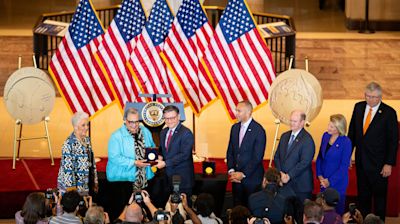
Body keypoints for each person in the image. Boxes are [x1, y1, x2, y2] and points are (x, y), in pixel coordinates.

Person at [348, 82, 399, 221]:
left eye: (374, 97)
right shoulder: (358, 107)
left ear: (380, 96)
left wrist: (389, 163)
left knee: (379, 199)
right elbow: (352, 133)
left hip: (380, 165)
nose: (370, 99)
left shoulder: (389, 113)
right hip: (361, 161)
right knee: (363, 196)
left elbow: (393, 141)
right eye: (368, 96)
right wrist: (348, 155)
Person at [106, 108, 155, 220]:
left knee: (142, 212)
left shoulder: (145, 131)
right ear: (125, 121)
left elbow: (152, 147)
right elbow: (114, 157)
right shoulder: (116, 136)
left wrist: (156, 157)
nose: (134, 125)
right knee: (123, 212)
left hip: (143, 179)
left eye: (136, 122)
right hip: (123, 180)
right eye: (130, 122)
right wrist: (134, 162)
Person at [226, 100, 266, 206]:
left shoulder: (259, 130)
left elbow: (257, 157)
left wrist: (242, 174)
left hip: (252, 180)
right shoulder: (234, 128)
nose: (236, 113)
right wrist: (231, 170)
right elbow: (230, 151)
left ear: (248, 112)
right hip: (236, 180)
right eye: (236, 110)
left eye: (239, 111)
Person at [274, 110, 315, 202]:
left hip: (300, 186)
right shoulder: (284, 136)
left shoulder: (307, 139)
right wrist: (281, 173)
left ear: (302, 122)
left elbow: (305, 162)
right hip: (284, 184)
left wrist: (289, 176)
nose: (291, 123)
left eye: (295, 121)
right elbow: (277, 156)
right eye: (291, 120)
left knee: (299, 213)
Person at [156, 105, 195, 201]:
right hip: (168, 178)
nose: (169, 121)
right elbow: (162, 149)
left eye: (172, 118)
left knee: (183, 209)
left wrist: (165, 163)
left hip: (182, 178)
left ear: (178, 116)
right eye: (166, 118)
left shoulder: (186, 133)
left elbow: (184, 155)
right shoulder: (163, 132)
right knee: (171, 207)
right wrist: (160, 157)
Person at [316, 114, 352, 215]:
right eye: (329, 125)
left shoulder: (346, 142)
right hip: (323, 181)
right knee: (323, 212)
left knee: (336, 213)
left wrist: (330, 181)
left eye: (332, 127)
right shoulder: (325, 136)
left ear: (339, 128)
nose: (328, 128)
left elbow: (344, 166)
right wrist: (319, 175)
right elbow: (320, 157)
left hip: (337, 183)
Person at [57, 112, 98, 196]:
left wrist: (95, 181)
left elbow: (92, 162)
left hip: (85, 185)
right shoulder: (68, 144)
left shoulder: (87, 140)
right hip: (73, 189)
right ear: (75, 127)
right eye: (83, 125)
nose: (86, 128)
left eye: (87, 124)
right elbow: (67, 171)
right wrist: (73, 194)